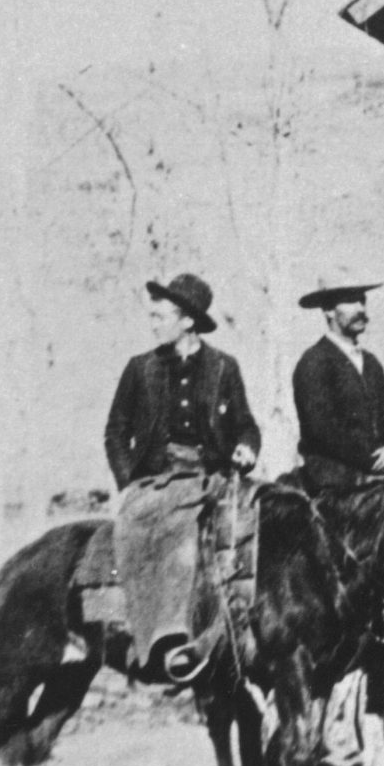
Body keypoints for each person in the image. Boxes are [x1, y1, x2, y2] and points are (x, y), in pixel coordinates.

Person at [102, 273, 262, 683]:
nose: (153, 324)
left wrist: (246, 447)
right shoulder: (140, 369)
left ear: (187, 321)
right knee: (132, 530)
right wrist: (128, 482)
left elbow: (246, 424)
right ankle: (152, 640)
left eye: (160, 317)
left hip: (210, 479)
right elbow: (115, 432)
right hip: (154, 482)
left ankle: (182, 637)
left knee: (189, 533)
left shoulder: (224, 367)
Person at [291, 280, 384, 491]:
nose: (361, 309)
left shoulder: (370, 363)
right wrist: (372, 459)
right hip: (332, 481)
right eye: (351, 301)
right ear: (329, 311)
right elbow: (322, 430)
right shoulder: (314, 362)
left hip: (376, 475)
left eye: (362, 301)